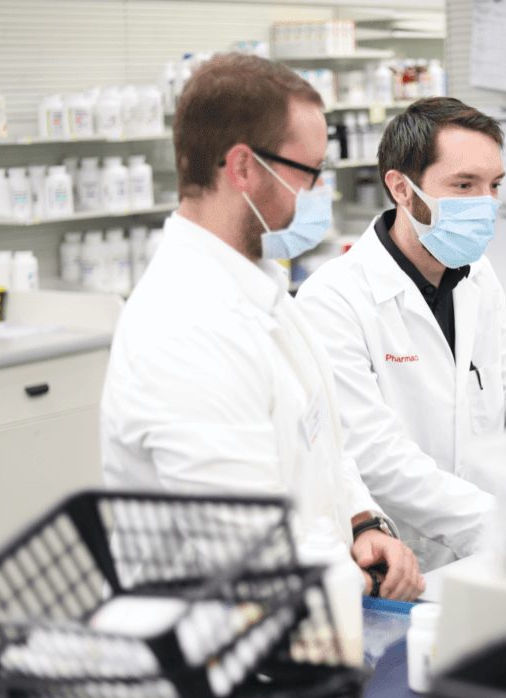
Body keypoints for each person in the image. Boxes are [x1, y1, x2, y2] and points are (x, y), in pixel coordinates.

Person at [100, 53, 423, 601]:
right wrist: (363, 580)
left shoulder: (261, 287)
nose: (320, 192)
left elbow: (320, 439)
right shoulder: (185, 328)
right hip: (221, 654)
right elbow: (253, 560)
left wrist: (361, 522)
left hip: (303, 624)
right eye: (309, 173)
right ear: (244, 167)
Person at [295, 97, 506, 572]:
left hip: (488, 558)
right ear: (402, 188)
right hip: (398, 565)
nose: (487, 204)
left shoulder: (478, 275)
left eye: (494, 185)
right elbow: (374, 455)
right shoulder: (332, 300)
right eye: (464, 185)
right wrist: (504, 523)